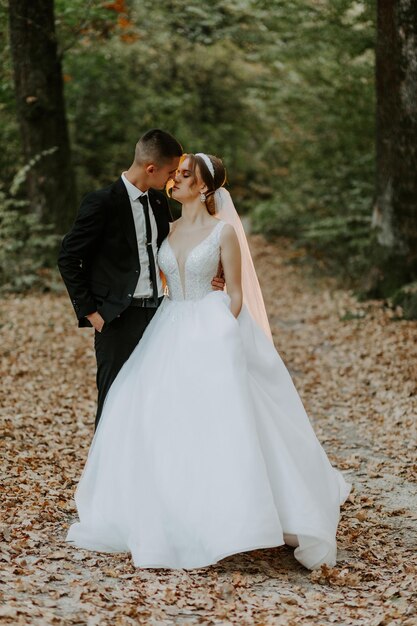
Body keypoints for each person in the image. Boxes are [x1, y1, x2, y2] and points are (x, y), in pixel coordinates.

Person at [65, 152, 352, 571]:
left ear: (204, 188)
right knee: (155, 415)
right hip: (167, 327)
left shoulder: (224, 234)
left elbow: (234, 292)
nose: (175, 180)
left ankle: (237, 514)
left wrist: (219, 327)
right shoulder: (168, 226)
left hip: (209, 325)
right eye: (176, 173)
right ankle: (170, 511)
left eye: (185, 176)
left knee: (220, 420)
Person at [57, 130, 224, 430]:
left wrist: (216, 268)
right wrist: (91, 312)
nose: (172, 180)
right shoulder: (101, 203)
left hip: (161, 316)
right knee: (113, 400)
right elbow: (69, 258)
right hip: (117, 319)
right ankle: (107, 475)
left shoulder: (160, 204)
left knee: (156, 398)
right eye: (171, 172)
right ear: (151, 169)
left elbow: (180, 246)